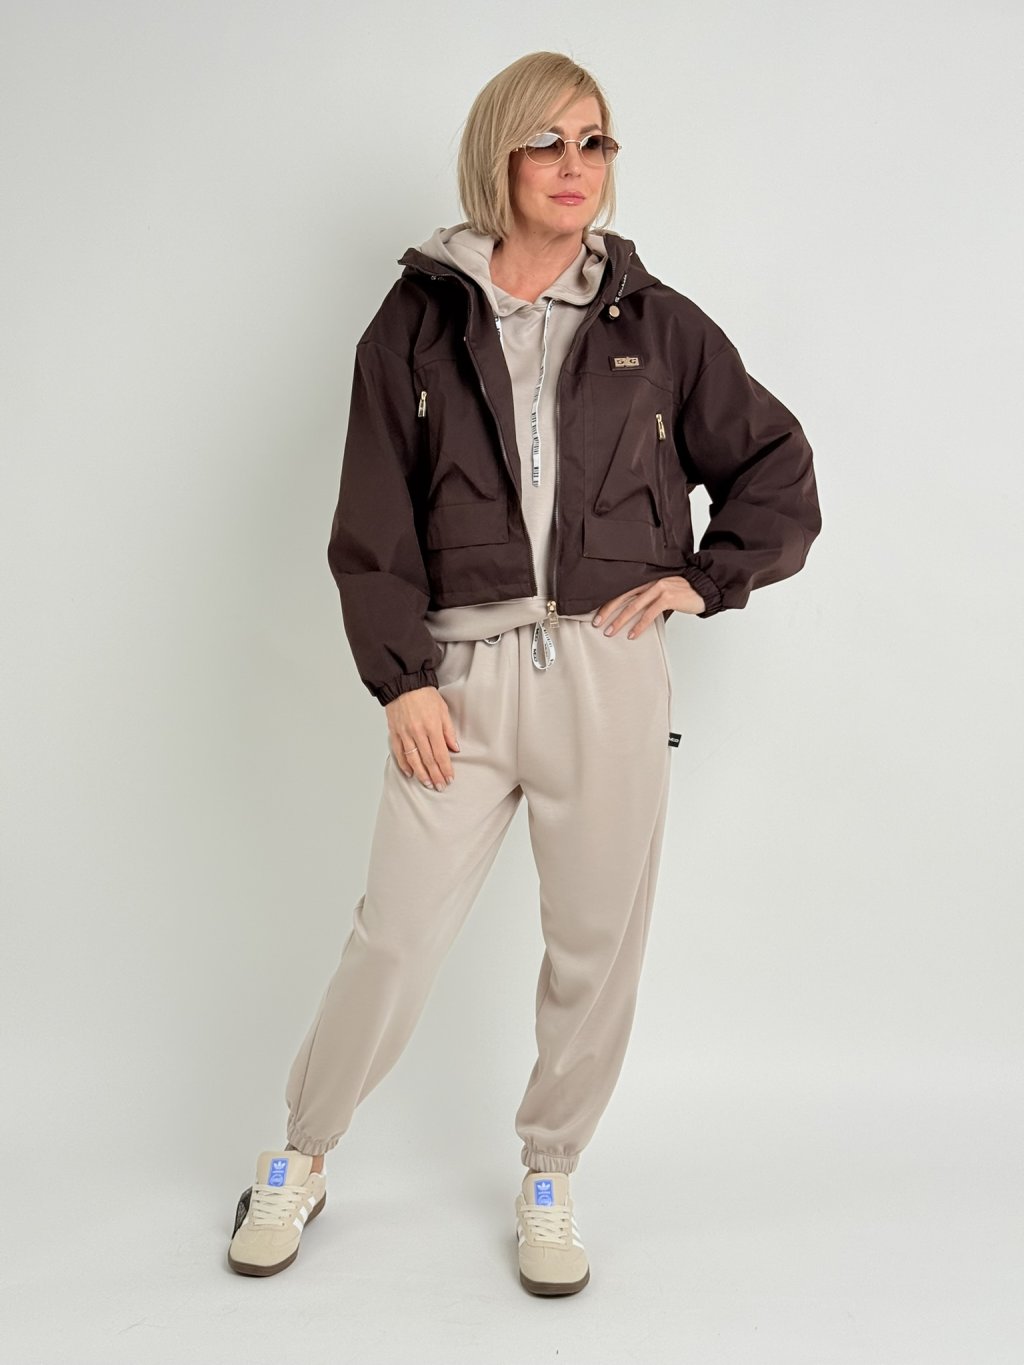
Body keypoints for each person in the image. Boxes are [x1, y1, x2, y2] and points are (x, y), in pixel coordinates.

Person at [227, 50, 821, 1294]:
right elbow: (373, 516)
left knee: (594, 947)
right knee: (394, 936)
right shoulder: (417, 320)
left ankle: (550, 1172)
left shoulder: (657, 324)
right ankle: (302, 1153)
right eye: (547, 141)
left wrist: (703, 579)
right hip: (459, 676)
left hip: (609, 672)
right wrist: (402, 680)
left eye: (594, 142)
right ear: (496, 155)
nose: (573, 166)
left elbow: (773, 462)